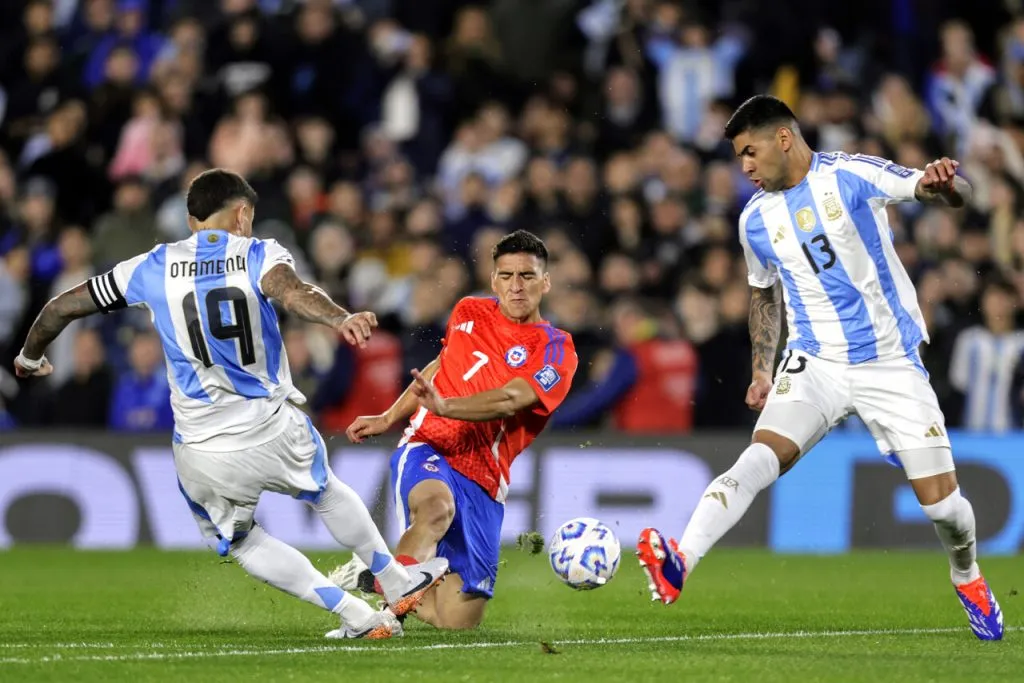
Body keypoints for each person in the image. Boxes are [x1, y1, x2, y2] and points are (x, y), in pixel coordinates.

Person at [13, 169, 448, 640]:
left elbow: (60, 307)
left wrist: (29, 356)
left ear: (190, 219)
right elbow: (294, 292)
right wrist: (340, 318)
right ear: (242, 215)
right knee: (325, 491)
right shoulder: (256, 253)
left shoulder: (150, 266)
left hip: (201, 449)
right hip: (271, 426)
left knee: (243, 542)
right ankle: (393, 579)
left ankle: (355, 615)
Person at [636, 95, 1003, 641]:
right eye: (739, 158)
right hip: (815, 364)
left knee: (945, 510)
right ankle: (679, 561)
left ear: (784, 138)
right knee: (757, 459)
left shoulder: (850, 174)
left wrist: (948, 184)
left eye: (750, 152)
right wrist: (763, 369)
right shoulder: (754, 220)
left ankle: (967, 577)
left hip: (889, 364)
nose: (745, 168)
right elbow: (763, 294)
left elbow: (939, 191)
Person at [330, 230, 578, 629]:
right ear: (493, 280)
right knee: (435, 509)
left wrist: (449, 405)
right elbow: (441, 368)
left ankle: (382, 576)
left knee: (456, 621)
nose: (516, 286)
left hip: (484, 477)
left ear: (545, 282)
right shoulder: (467, 311)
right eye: (507, 275)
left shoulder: (555, 349)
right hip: (431, 444)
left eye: (528, 276)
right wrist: (390, 416)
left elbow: (512, 398)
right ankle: (379, 619)